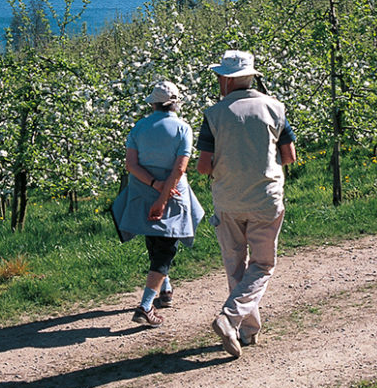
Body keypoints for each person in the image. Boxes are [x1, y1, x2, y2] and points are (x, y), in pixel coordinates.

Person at [196, 50, 296, 358]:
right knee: (262, 265)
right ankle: (232, 319)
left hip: (227, 199)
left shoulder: (214, 114)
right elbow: (289, 155)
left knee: (235, 264)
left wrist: (226, 170)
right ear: (251, 76)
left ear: (226, 80)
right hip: (265, 198)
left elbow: (203, 165)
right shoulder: (275, 108)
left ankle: (244, 329)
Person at [112, 80, 204, 327]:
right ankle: (145, 306)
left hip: (142, 192)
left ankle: (165, 290)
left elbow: (131, 165)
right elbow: (180, 167)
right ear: (175, 103)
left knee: (155, 241)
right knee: (166, 249)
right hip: (172, 196)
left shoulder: (138, 128)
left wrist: (154, 185)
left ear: (152, 103)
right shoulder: (183, 128)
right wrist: (164, 196)